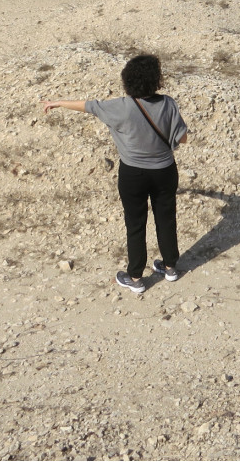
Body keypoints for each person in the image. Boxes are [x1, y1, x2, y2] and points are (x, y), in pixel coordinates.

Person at [42, 54, 189, 294]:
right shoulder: (168, 104)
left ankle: (135, 278)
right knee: (166, 218)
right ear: (156, 80)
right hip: (165, 171)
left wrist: (57, 102)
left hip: (133, 174)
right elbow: (182, 138)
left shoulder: (118, 107)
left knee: (135, 223)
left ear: (127, 81)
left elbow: (88, 106)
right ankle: (170, 267)